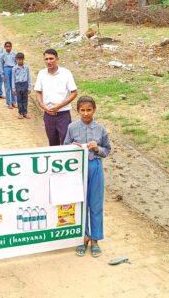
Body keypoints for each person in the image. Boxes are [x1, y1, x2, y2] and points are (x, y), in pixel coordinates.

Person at [64, 96, 111, 258]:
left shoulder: (100, 129)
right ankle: (83, 237)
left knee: (95, 203)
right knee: (81, 203)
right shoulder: (72, 127)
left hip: (95, 167)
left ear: (94, 110)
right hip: (78, 170)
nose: (85, 113)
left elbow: (107, 150)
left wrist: (97, 148)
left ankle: (95, 240)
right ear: (77, 111)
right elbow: (64, 148)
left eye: (89, 110)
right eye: (82, 110)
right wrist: (72, 147)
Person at [34, 48, 78, 146]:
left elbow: (74, 93)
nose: (48, 61)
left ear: (57, 59)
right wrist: (42, 106)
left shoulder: (66, 73)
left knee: (66, 142)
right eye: (46, 59)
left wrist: (59, 106)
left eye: (51, 58)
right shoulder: (42, 74)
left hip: (63, 115)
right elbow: (38, 92)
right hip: (48, 115)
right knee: (53, 143)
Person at [12, 52, 32, 119]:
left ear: (23, 59)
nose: (20, 61)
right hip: (18, 85)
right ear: (16, 59)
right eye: (18, 59)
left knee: (25, 99)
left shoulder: (26, 67)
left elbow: (29, 77)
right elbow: (13, 79)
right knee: (19, 99)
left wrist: (29, 87)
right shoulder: (14, 68)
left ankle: (25, 113)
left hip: (25, 84)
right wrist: (14, 89)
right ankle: (20, 113)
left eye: (21, 59)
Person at [1, 41, 18, 109]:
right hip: (6, 70)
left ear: (11, 47)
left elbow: (17, 63)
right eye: (7, 46)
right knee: (7, 87)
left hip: (13, 69)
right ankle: (9, 103)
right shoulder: (2, 55)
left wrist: (17, 73)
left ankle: (14, 102)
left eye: (9, 46)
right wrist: (2, 75)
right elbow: (1, 65)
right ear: (5, 47)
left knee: (13, 87)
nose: (8, 48)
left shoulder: (14, 54)